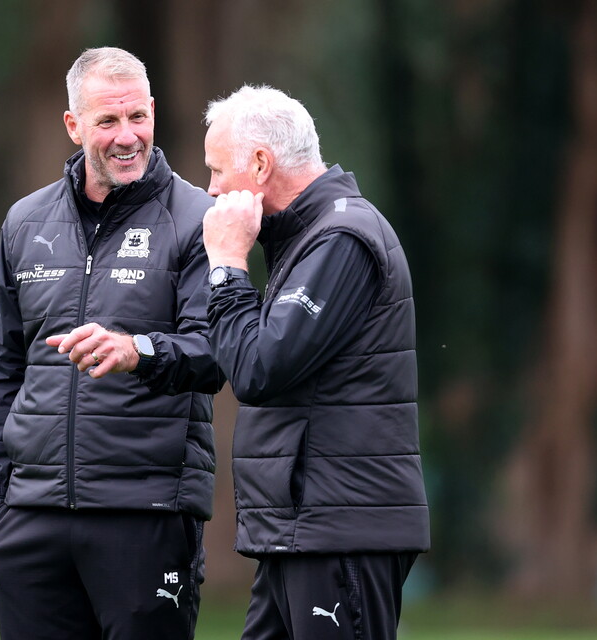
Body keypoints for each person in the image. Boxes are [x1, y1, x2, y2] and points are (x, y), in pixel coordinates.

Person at [0, 47, 222, 640]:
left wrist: (138, 350)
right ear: (74, 125)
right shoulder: (24, 222)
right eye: (108, 121)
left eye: (137, 117)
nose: (127, 136)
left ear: (155, 114)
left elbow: (217, 351)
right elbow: (1, 368)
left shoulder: (199, 219)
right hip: (29, 517)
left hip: (145, 514)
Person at [201, 84, 430, 640]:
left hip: (340, 528)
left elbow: (258, 368)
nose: (210, 190)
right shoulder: (308, 238)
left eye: (215, 170)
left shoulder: (341, 237)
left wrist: (228, 265)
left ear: (259, 164)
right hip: (302, 530)